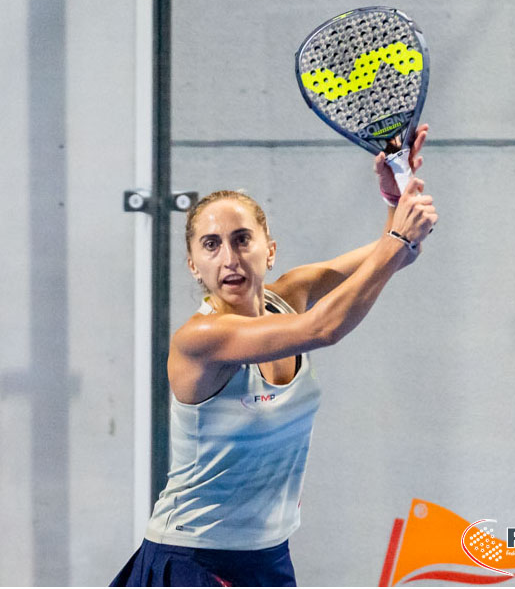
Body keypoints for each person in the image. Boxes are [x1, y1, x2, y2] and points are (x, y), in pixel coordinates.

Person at [111, 125, 437, 587]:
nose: (229, 258)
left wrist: (395, 195)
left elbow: (397, 253)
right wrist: (400, 234)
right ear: (193, 266)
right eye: (211, 245)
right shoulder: (200, 338)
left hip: (269, 558)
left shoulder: (294, 293)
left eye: (242, 239)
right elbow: (323, 327)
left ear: (270, 251)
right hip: (192, 560)